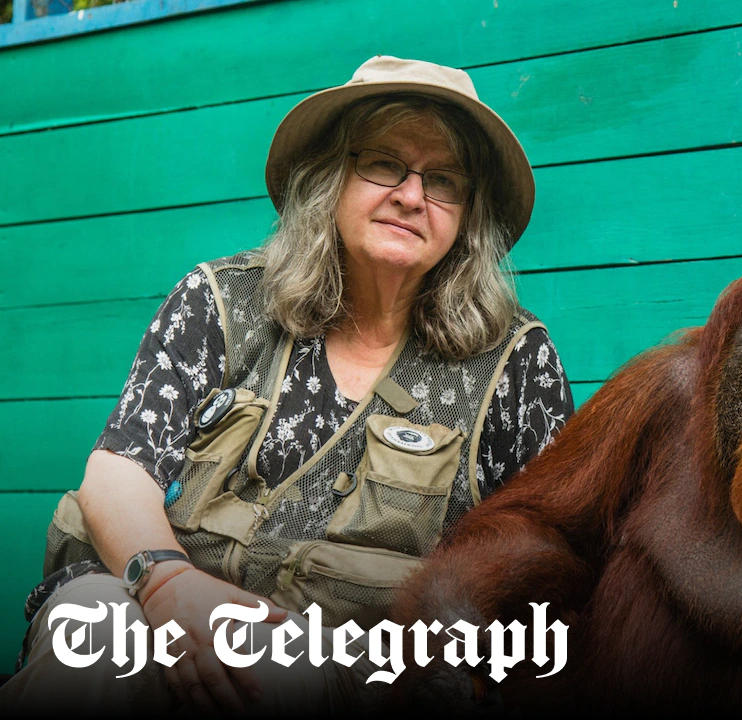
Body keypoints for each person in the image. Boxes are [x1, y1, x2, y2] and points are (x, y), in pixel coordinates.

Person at [1, 56, 573, 714]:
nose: (412, 196)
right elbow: (116, 474)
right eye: (384, 163)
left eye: (443, 180)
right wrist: (167, 588)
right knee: (95, 626)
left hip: (358, 671)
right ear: (331, 177)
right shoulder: (222, 301)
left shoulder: (515, 363)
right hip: (159, 597)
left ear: (467, 215)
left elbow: (543, 568)